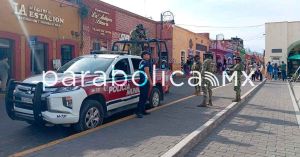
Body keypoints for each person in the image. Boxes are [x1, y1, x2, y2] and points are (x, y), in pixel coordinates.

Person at [136, 50, 152, 118]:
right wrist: (150, 81)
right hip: (144, 81)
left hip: (142, 81)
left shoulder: (141, 62)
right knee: (143, 97)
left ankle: (143, 110)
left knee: (144, 97)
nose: (149, 56)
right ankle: (138, 112)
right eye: (148, 55)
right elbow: (147, 72)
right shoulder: (146, 62)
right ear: (144, 55)